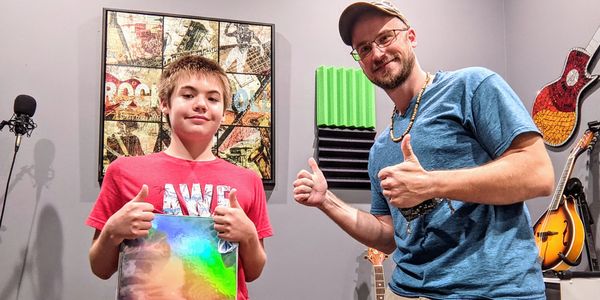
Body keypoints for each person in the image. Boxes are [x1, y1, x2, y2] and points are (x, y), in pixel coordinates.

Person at [293, 1, 554, 299]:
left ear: (411, 37)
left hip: (490, 291)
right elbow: (388, 236)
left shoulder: (471, 86)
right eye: (364, 48)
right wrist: (327, 201)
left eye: (385, 38)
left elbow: (538, 173)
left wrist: (430, 183)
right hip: (405, 291)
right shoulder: (380, 147)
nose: (377, 53)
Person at [87, 55, 272, 300]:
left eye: (213, 98)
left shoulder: (248, 181)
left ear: (224, 110)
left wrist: (248, 235)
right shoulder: (123, 172)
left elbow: (253, 272)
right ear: (165, 103)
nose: (201, 104)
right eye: (188, 95)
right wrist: (112, 231)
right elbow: (100, 268)